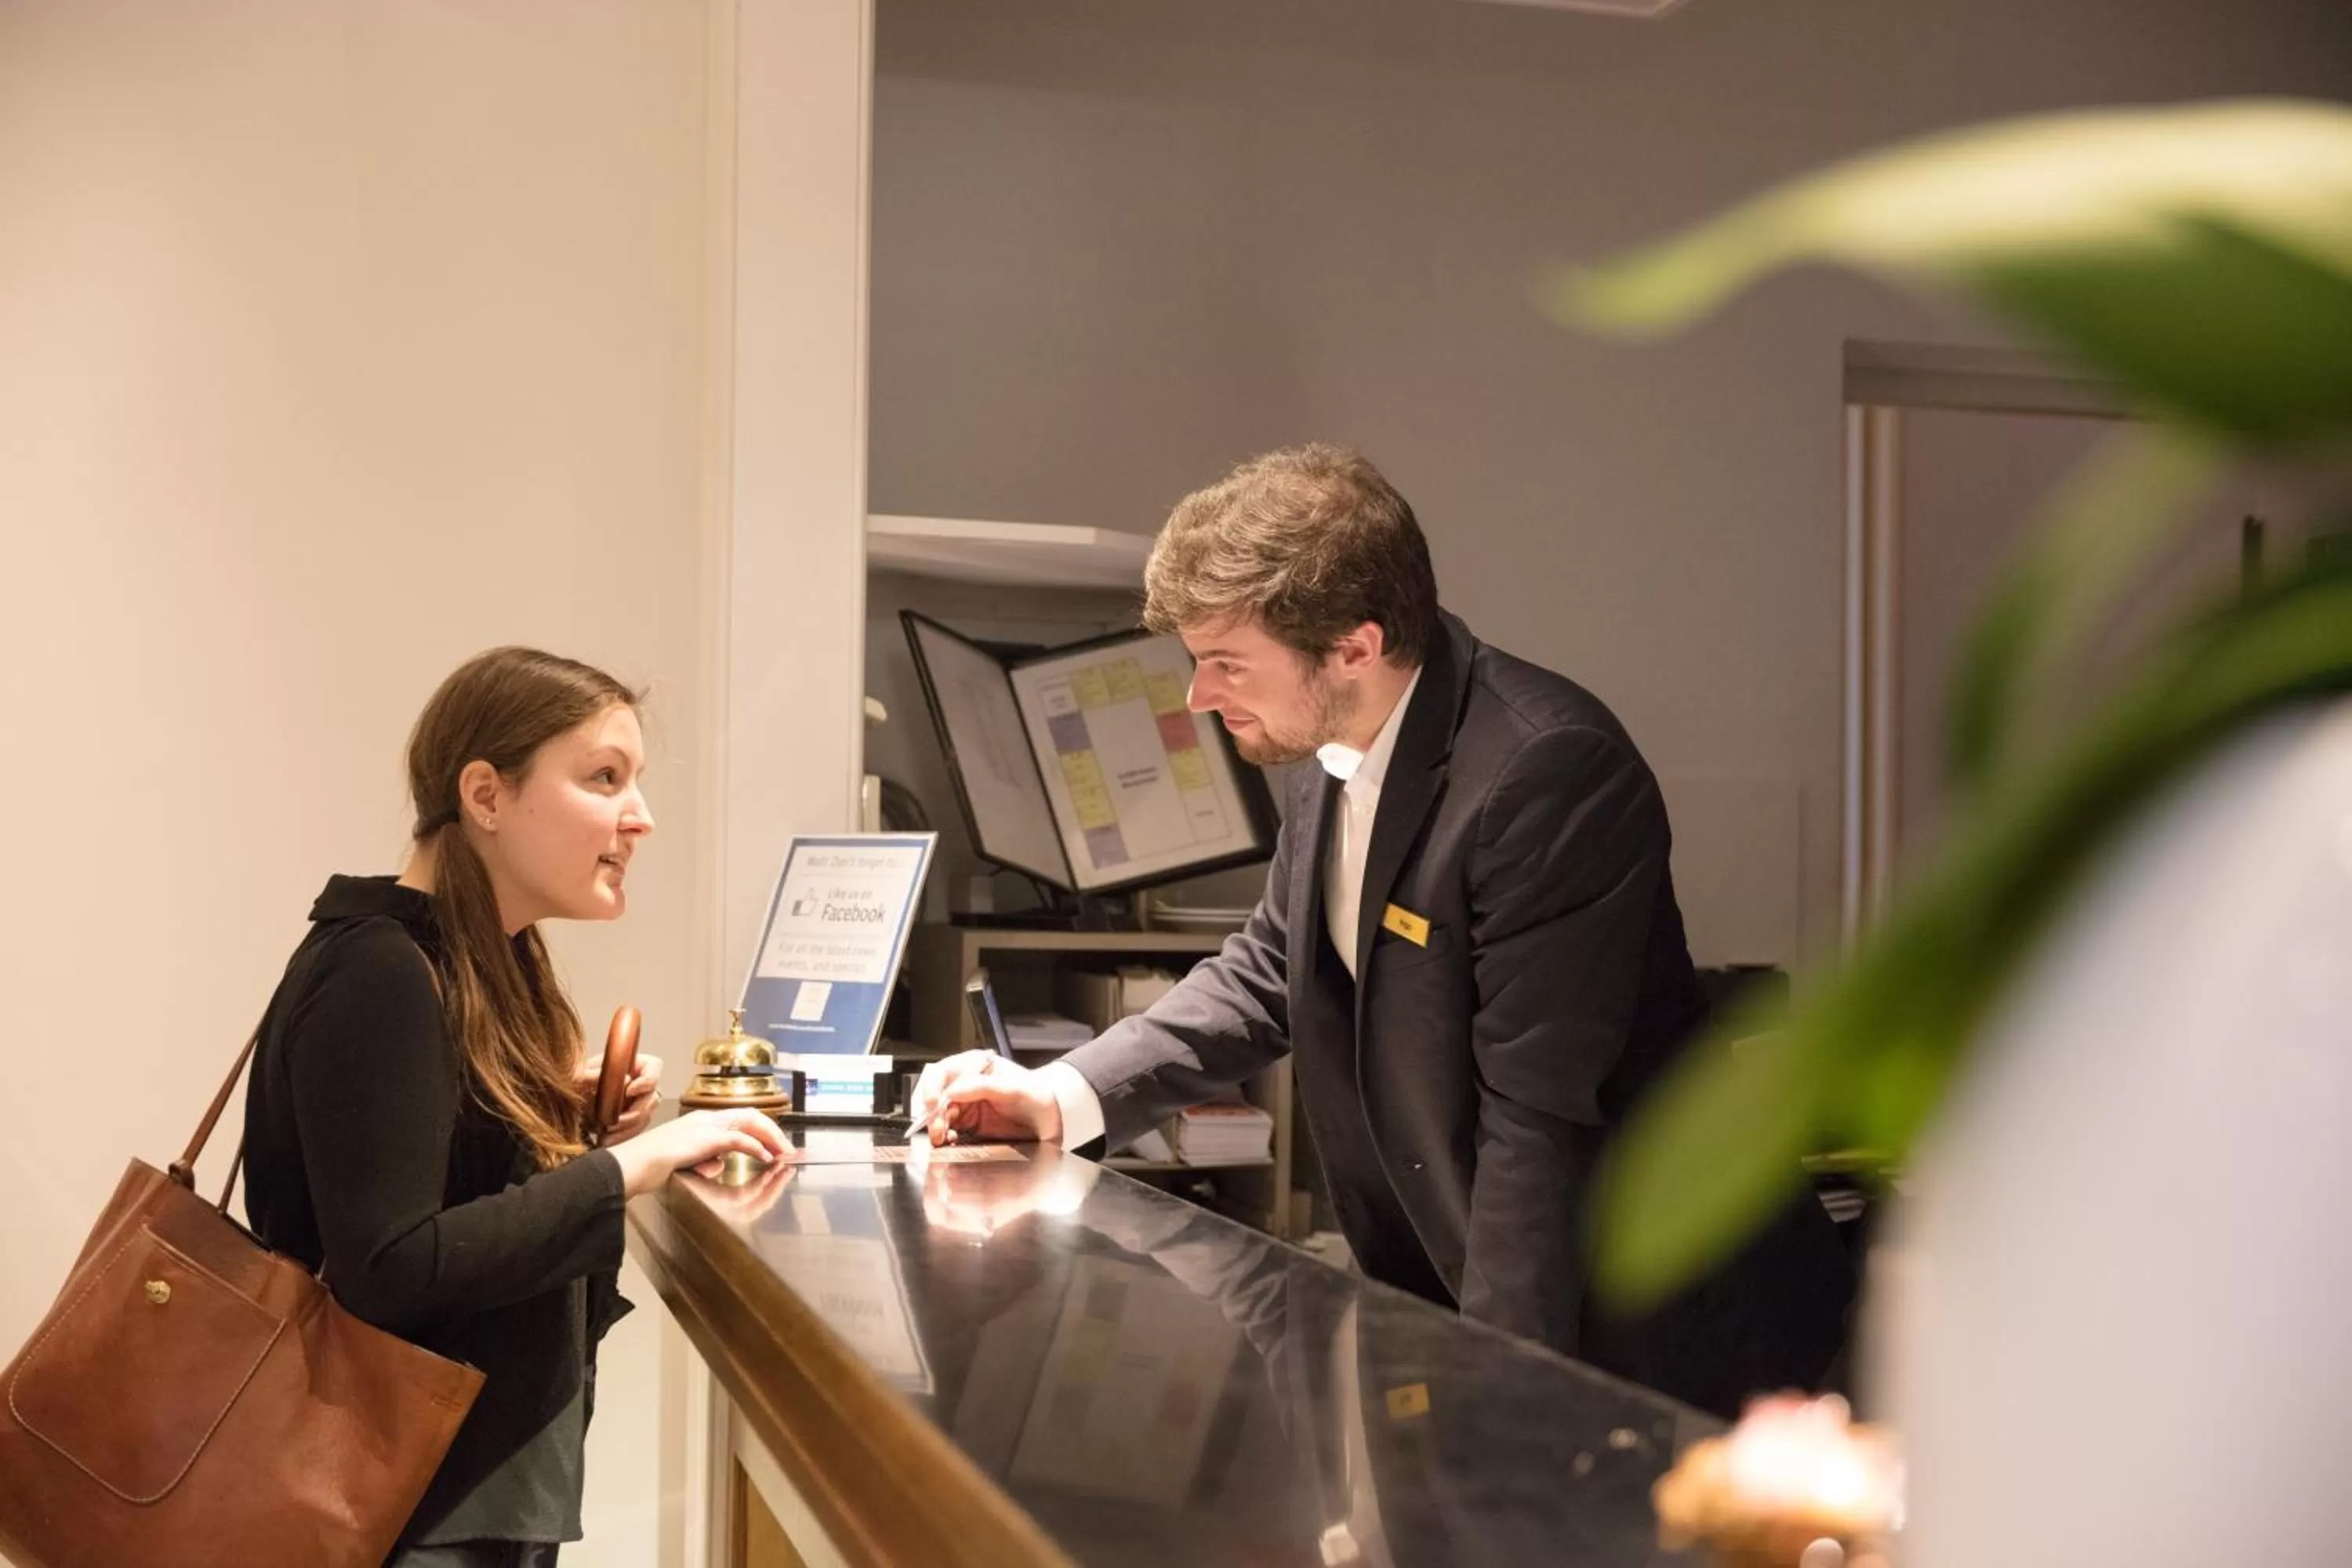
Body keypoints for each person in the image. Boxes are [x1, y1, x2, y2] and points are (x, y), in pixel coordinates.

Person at [910, 445, 1850, 1416]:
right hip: (1471, 1290)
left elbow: (1536, 1120)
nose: (1198, 697)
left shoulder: (1546, 770)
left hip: (1651, 1325)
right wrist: (1059, 1096)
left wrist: (1497, 1384)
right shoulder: (1329, 748)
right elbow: (1270, 969)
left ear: (1355, 648)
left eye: (1226, 664)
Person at [241, 647, 789, 1567]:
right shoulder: (379, 968)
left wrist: (547, 1117)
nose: (641, 816)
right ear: (486, 795)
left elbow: (430, 1175)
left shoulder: (470, 960)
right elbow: (393, 1266)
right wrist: (627, 1166)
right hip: (400, 1514)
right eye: (604, 777)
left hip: (445, 1495)